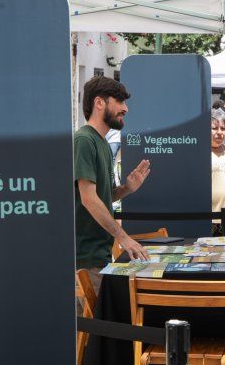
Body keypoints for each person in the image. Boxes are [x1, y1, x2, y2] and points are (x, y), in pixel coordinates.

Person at [74, 77, 151, 294]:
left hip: (99, 255)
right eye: (119, 101)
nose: (125, 108)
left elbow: (100, 197)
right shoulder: (84, 140)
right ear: (99, 103)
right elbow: (88, 199)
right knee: (93, 326)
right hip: (86, 259)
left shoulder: (102, 144)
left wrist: (127, 188)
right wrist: (123, 237)